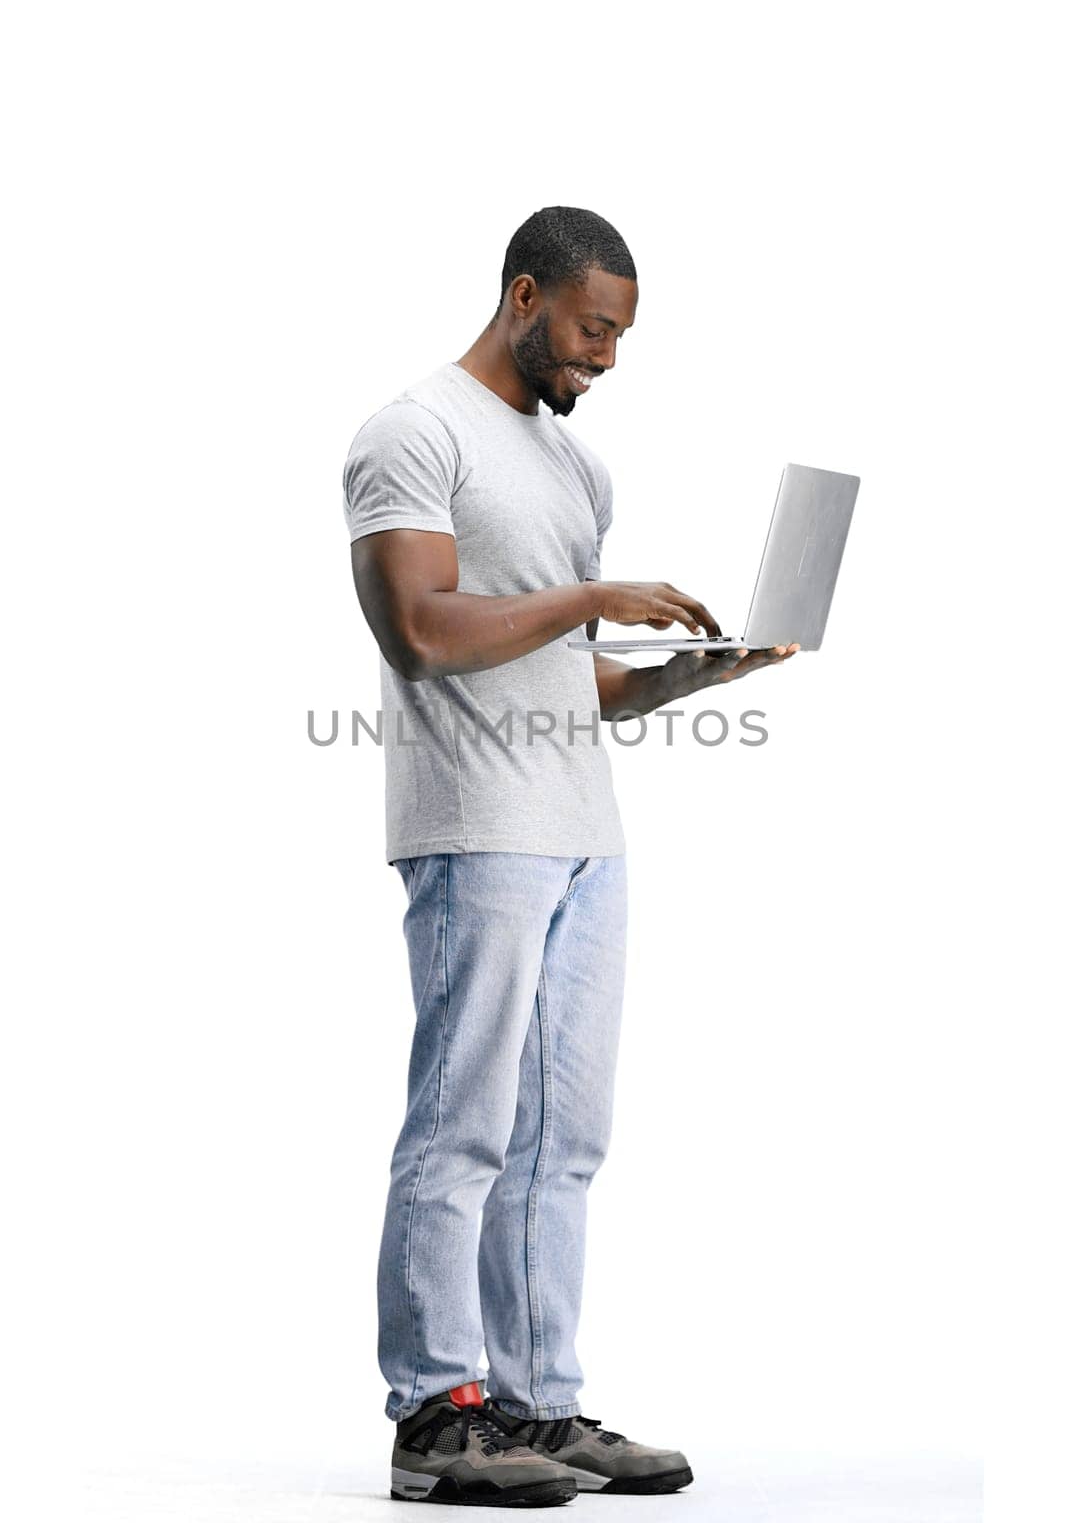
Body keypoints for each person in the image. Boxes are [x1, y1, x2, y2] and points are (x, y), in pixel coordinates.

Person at [342, 207, 798, 1507]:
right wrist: (598, 597)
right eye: (594, 330)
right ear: (526, 293)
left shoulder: (573, 469)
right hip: (473, 825)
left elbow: (565, 673)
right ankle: (437, 1415)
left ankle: (537, 1401)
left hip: (584, 832)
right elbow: (423, 628)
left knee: (565, 1138)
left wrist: (690, 674)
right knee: (464, 1123)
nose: (604, 359)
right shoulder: (412, 430)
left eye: (620, 338)